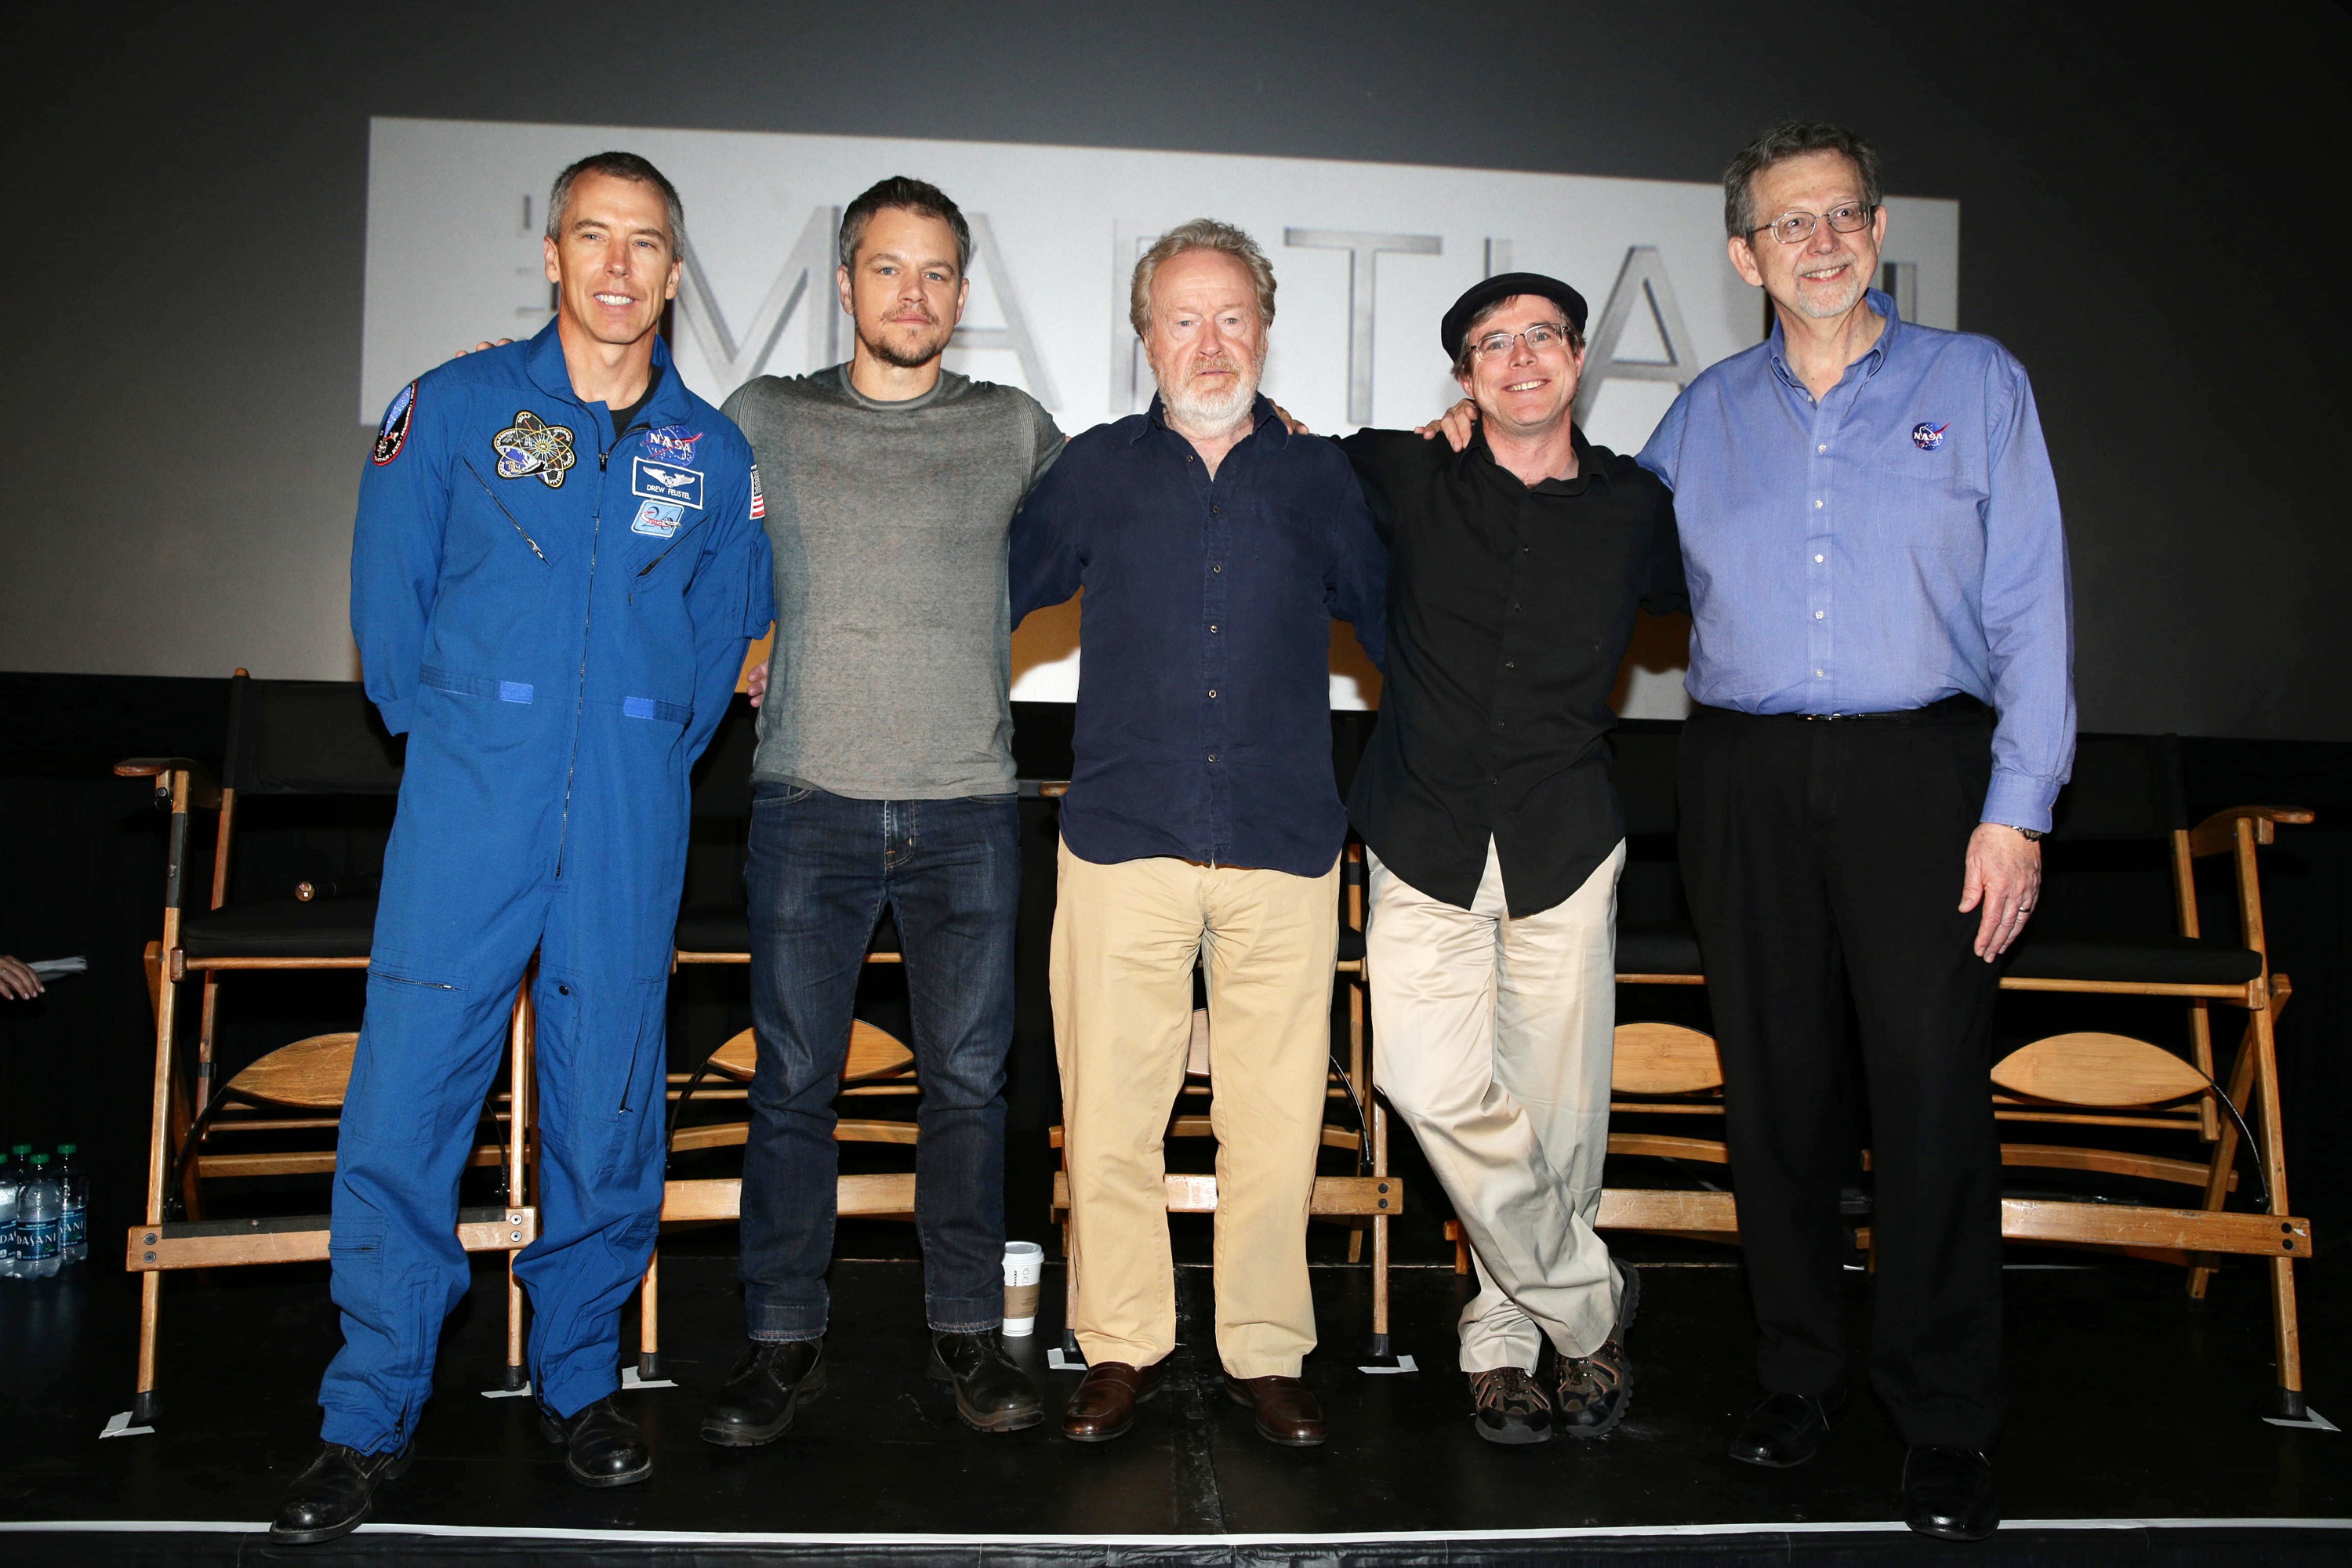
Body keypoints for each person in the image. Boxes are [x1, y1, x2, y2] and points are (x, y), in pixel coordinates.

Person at [272, 153, 772, 1545]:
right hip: (469, 802)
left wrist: (630, 752)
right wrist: (476, 737)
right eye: (593, 238)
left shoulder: (713, 454)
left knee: (608, 1103)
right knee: (409, 1101)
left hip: (627, 811)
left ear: (676, 273)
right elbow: (389, 603)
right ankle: (369, 1410)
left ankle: (581, 1381)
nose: (618, 267)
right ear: (552, 255)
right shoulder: (452, 407)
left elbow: (723, 640)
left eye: (646, 244)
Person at [1640, 122, 2074, 1541]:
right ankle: (1797, 1376)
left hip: (1923, 776)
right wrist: (1468, 452)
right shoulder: (1702, 415)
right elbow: (1588, 543)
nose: (1819, 242)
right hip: (1745, 776)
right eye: (1790, 222)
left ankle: (1945, 1418)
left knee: (1932, 1093)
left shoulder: (1978, 381)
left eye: (1842, 216)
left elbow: (2033, 609)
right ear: (1743, 253)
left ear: (1878, 230)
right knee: (1774, 1094)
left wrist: (2016, 811)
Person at [698, 177, 1064, 1447]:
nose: (914, 293)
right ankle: (779, 1336)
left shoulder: (1013, 427)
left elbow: (1136, 506)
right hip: (809, 802)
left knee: (966, 1086)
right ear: (847, 280)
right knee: (795, 1082)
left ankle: (967, 1328)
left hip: (969, 808)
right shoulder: (765, 417)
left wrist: (1267, 436)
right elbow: (662, 511)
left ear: (962, 294)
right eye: (889, 268)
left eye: (938, 272)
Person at [1010, 219, 1386, 1449]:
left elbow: (1401, 627)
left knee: (1274, 1125)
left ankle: (1267, 1353)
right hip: (1125, 837)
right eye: (1184, 319)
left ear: (1265, 331)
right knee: (1109, 1117)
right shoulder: (1092, 472)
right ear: (1146, 337)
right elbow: (978, 594)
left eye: (1232, 317)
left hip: (1285, 841)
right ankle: (1121, 1345)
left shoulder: (1321, 478)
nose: (1210, 343)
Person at [1345, 274, 1683, 1446]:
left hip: (1564, 837)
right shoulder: (1404, 473)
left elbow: (1716, 586)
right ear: (1465, 376)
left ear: (1578, 358)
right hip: (1422, 831)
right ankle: (1590, 1307)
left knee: (1558, 1117)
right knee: (1425, 1083)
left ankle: (1503, 1346)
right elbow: (1272, 458)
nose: (1522, 356)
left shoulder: (1637, 506)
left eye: (1543, 336)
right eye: (1494, 343)